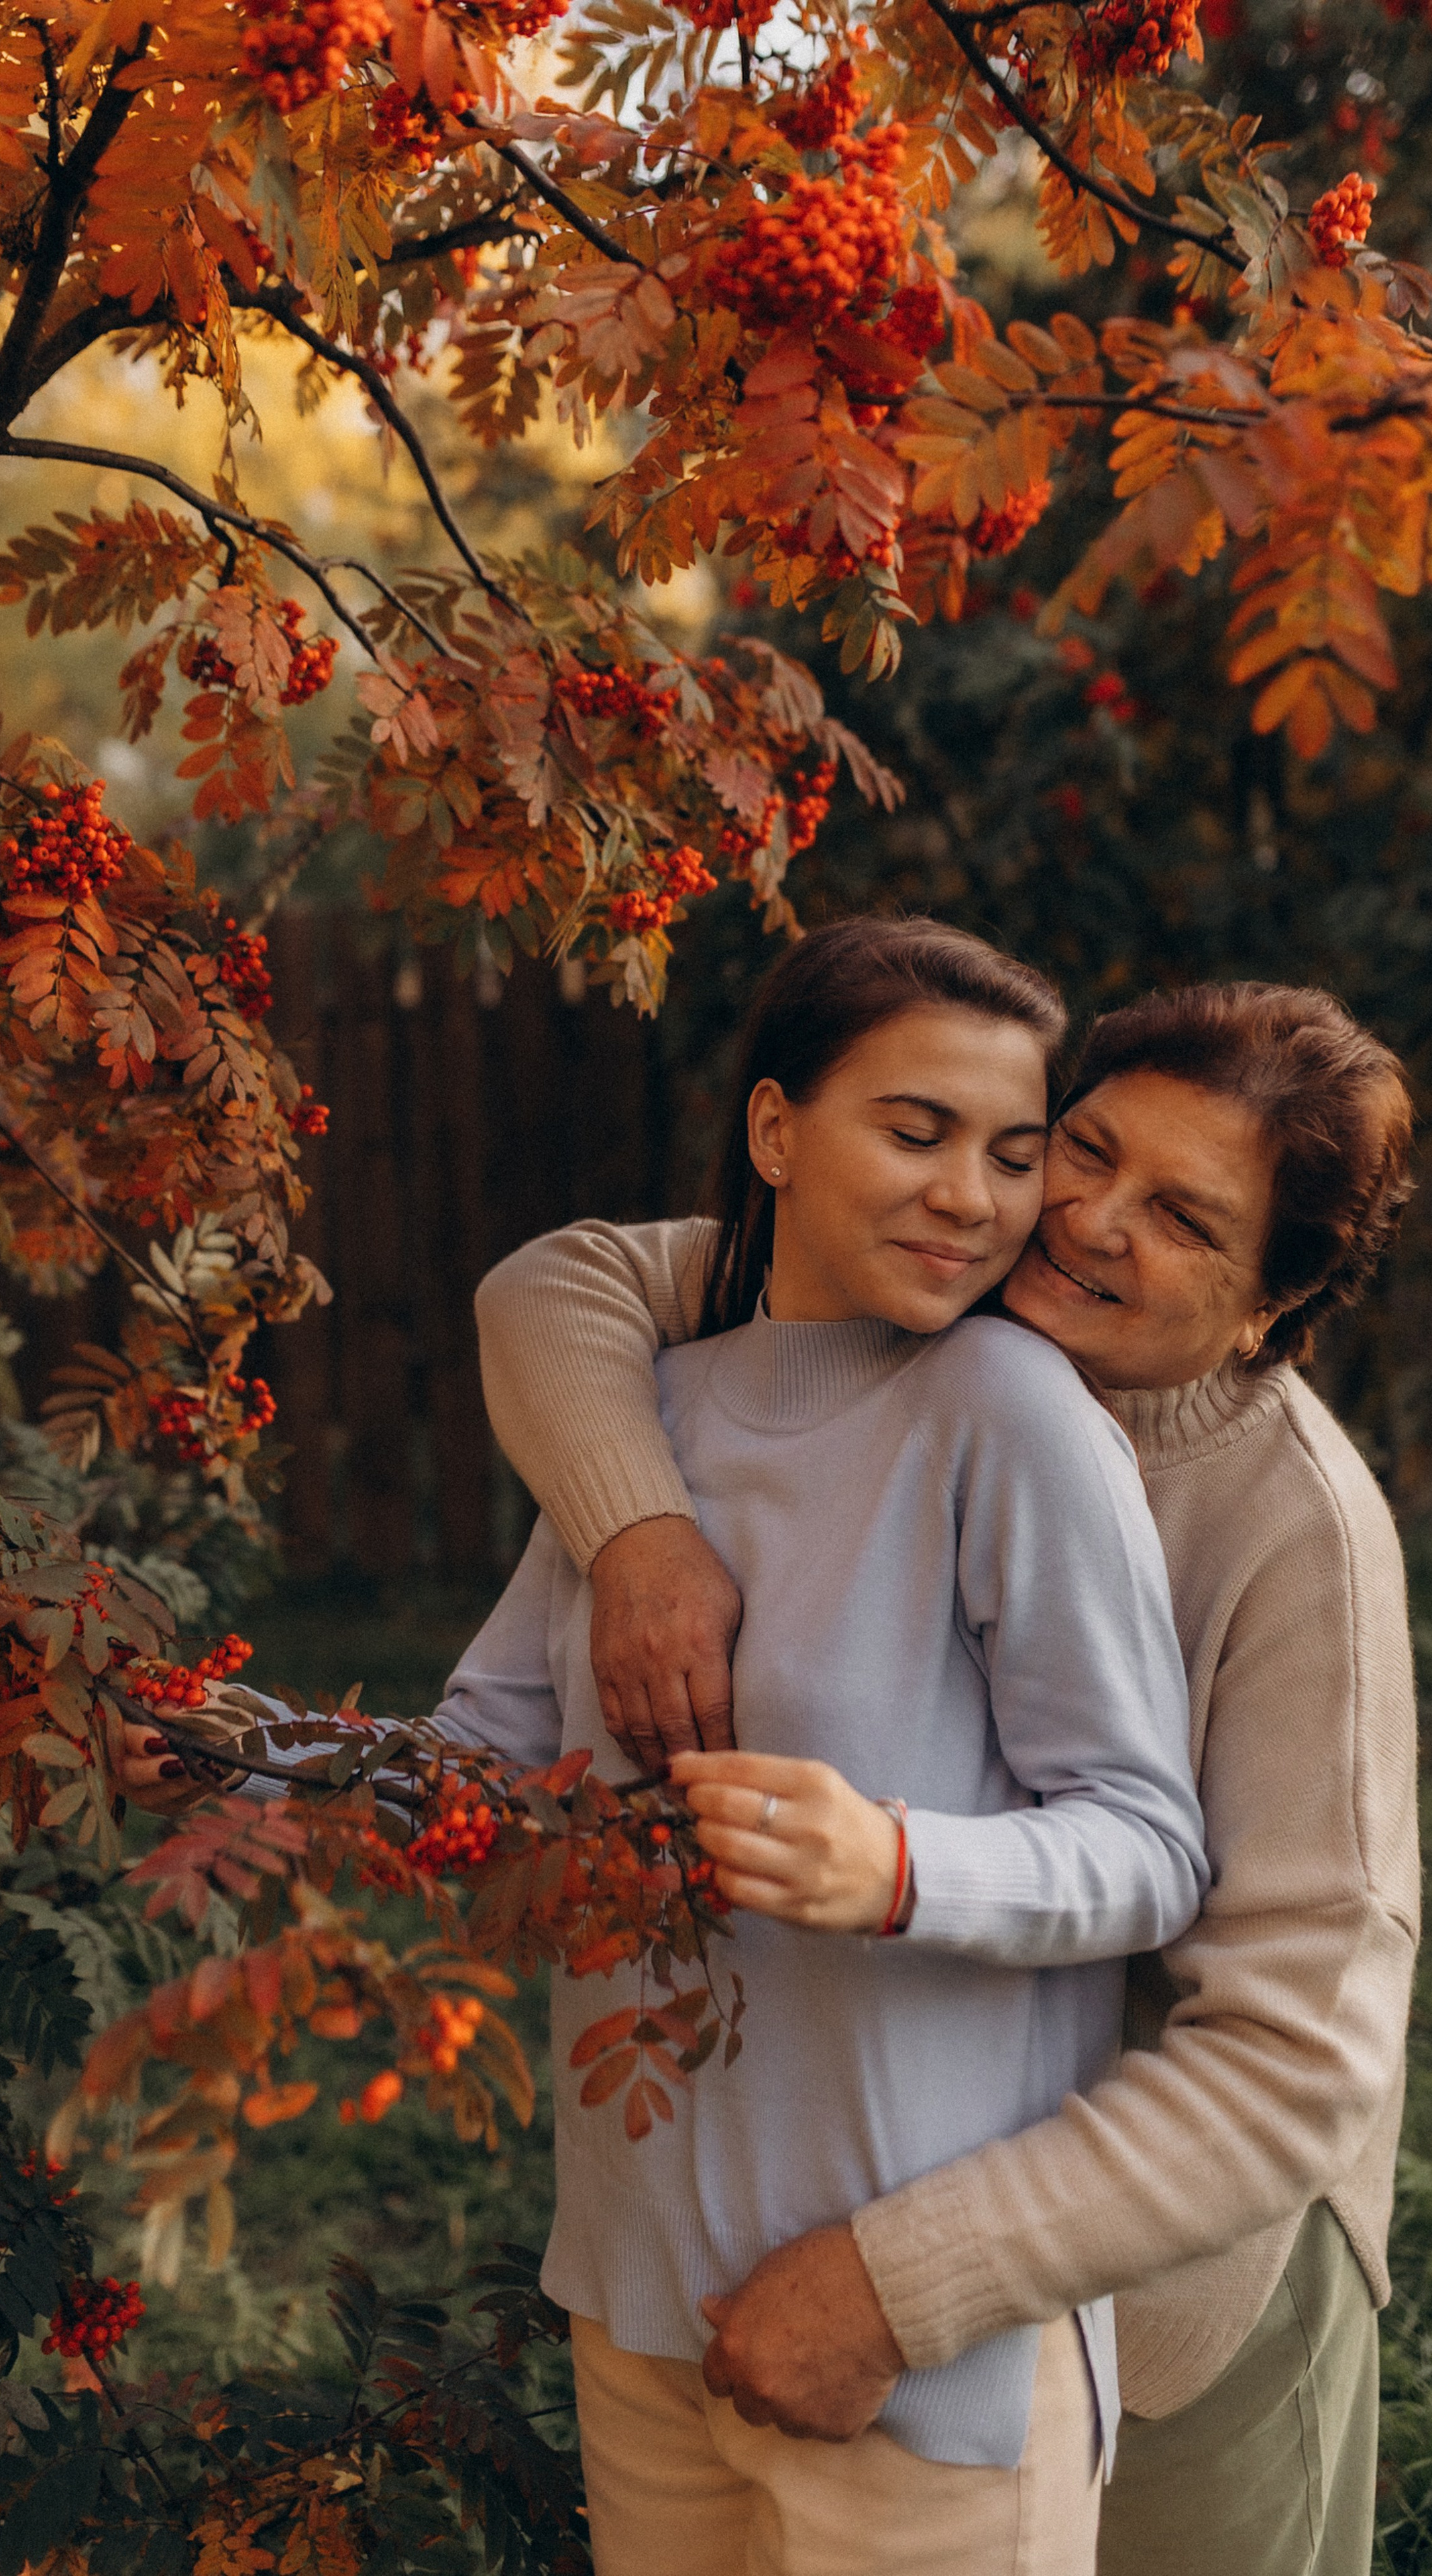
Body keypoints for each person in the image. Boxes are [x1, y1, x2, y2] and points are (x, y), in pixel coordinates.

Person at [129, 916, 1207, 2576]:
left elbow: (1148, 1845)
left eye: (1006, 1155)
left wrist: (900, 1863)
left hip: (908, 2355)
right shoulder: (648, 1424)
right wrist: (231, 1756)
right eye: (911, 1131)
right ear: (775, 1133)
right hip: (640, 2303)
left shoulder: (1005, 1416)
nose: (967, 1196)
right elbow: (490, 1763)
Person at [470, 971, 1421, 2576]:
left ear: (1267, 1307)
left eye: (1184, 1219)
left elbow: (1292, 2054)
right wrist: (637, 1529)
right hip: (816, 2171)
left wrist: (903, 2287)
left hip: (1170, 2258)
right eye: (1086, 1150)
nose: (1087, 1222)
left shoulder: (1292, 1535)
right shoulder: (930, 1284)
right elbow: (555, 1289)